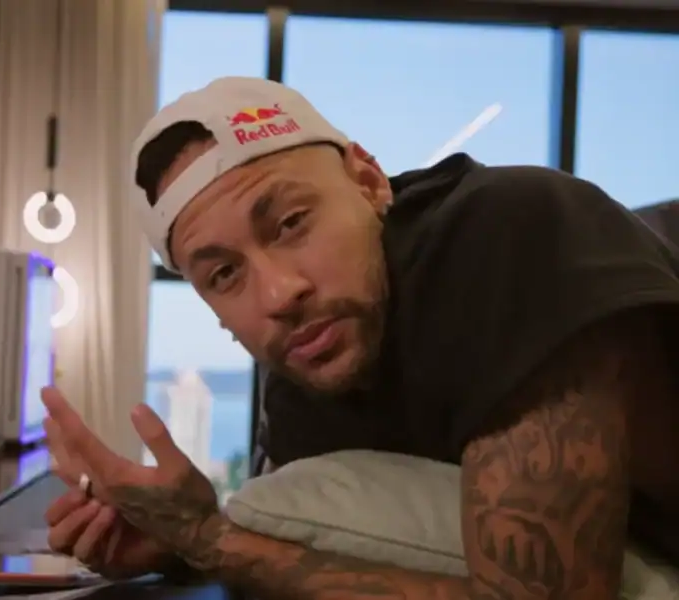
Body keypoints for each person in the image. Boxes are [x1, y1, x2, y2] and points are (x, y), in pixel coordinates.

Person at [42, 76, 679, 600]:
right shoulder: (309, 370)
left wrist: (209, 541)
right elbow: (301, 549)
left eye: (291, 223)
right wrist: (177, 548)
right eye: (224, 274)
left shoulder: (510, 233)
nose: (278, 295)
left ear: (370, 182)